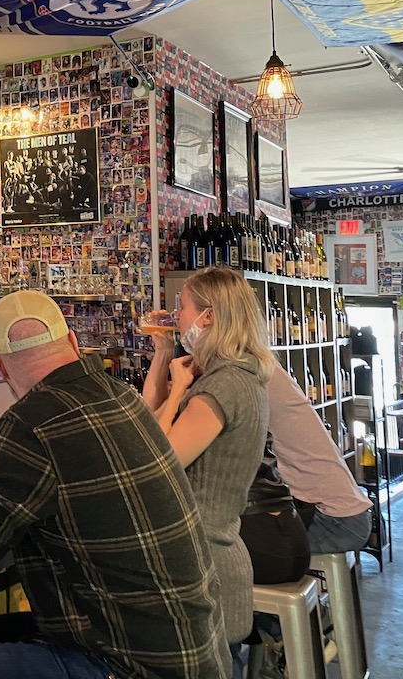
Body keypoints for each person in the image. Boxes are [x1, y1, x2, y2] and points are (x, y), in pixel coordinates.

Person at [0, 290, 230, 679]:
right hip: (193, 653)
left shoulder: (29, 424)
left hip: (125, 666)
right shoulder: (122, 397)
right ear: (72, 342)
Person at [142, 267, 272, 652]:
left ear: (208, 316)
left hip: (204, 568)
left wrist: (178, 390)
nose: (176, 316)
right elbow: (151, 418)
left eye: (182, 306)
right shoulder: (234, 375)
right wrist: (163, 354)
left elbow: (159, 459)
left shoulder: (223, 385)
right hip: (208, 562)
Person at [266, 363, 373, 553]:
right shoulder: (265, 368)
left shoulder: (247, 376)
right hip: (345, 514)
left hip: (332, 519)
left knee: (237, 552)